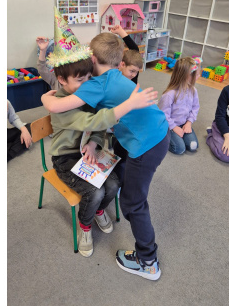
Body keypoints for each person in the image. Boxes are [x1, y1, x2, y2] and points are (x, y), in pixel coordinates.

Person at [42, 32, 170, 281]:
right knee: (115, 177)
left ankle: (148, 262)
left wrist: (43, 97)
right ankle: (103, 207)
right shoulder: (117, 75)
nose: (85, 80)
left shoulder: (95, 85)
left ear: (92, 57)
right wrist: (94, 141)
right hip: (156, 133)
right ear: (119, 60)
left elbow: (57, 106)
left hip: (146, 144)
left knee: (133, 203)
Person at [158, 57, 201, 155]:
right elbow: (163, 115)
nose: (198, 76)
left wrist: (189, 122)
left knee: (193, 146)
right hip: (169, 125)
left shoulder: (193, 90)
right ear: (186, 76)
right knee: (179, 149)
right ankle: (162, 137)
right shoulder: (170, 94)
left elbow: (195, 107)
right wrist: (174, 127)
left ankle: (180, 133)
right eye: (197, 74)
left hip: (184, 123)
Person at [206, 84, 229, 163]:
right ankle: (211, 136)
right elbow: (220, 116)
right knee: (226, 155)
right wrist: (227, 137)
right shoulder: (227, 90)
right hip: (224, 127)